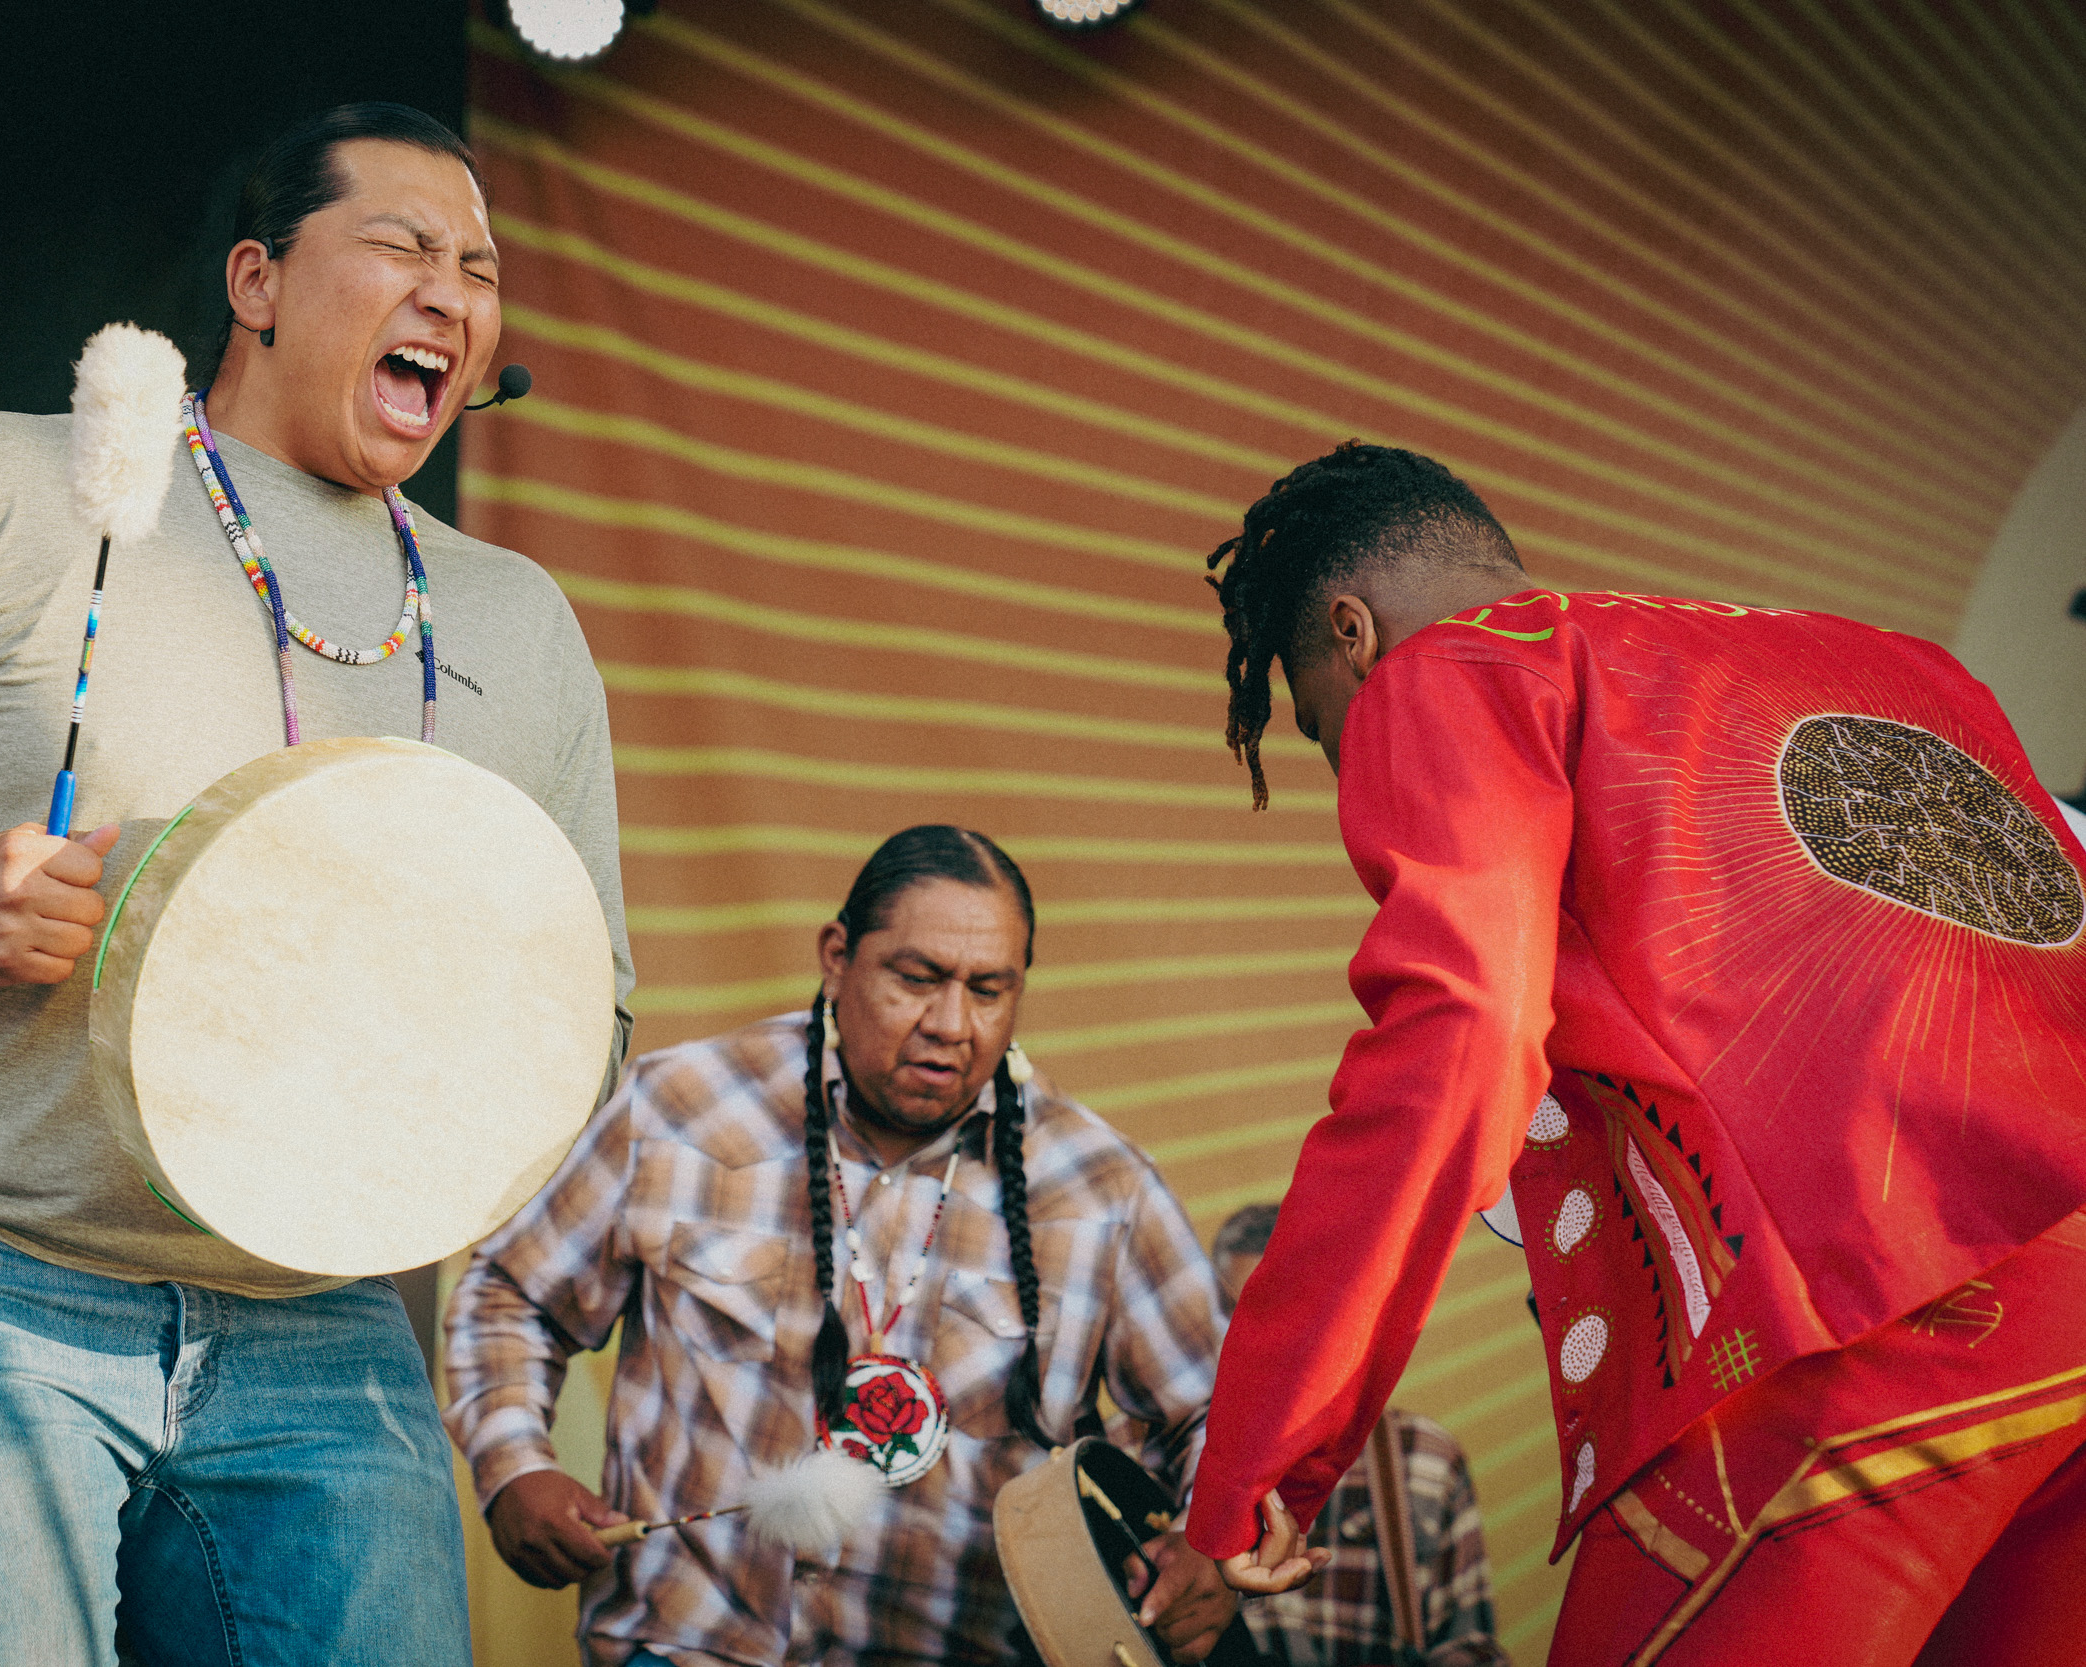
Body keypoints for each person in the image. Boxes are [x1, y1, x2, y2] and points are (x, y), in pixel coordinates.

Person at [0, 102, 634, 1666]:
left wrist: (456, 1056)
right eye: (402, 245)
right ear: (256, 279)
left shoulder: (520, 622)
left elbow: (593, 1002)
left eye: (482, 267)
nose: (453, 290)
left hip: (322, 1317)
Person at [1184, 442, 2086, 1665]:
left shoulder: (1457, 671)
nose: (1345, 763)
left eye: (1316, 726)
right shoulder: (1882, 658)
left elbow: (1459, 1043)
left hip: (1885, 1306)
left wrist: (1261, 1460)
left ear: (1353, 632)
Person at [443, 826, 1311, 1667]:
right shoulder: (680, 1109)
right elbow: (511, 1292)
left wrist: (1210, 1542)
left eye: (988, 989)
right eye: (917, 977)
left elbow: (1216, 1410)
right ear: (837, 955)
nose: (950, 1022)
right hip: (688, 1642)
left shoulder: (1099, 1189)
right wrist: (514, 1462)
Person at [1210, 1204, 1504, 1667]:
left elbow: (1467, 1644)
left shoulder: (1422, 1459)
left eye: (1296, 1316)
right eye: (1248, 1320)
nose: (1272, 1346)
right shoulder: (1164, 1448)